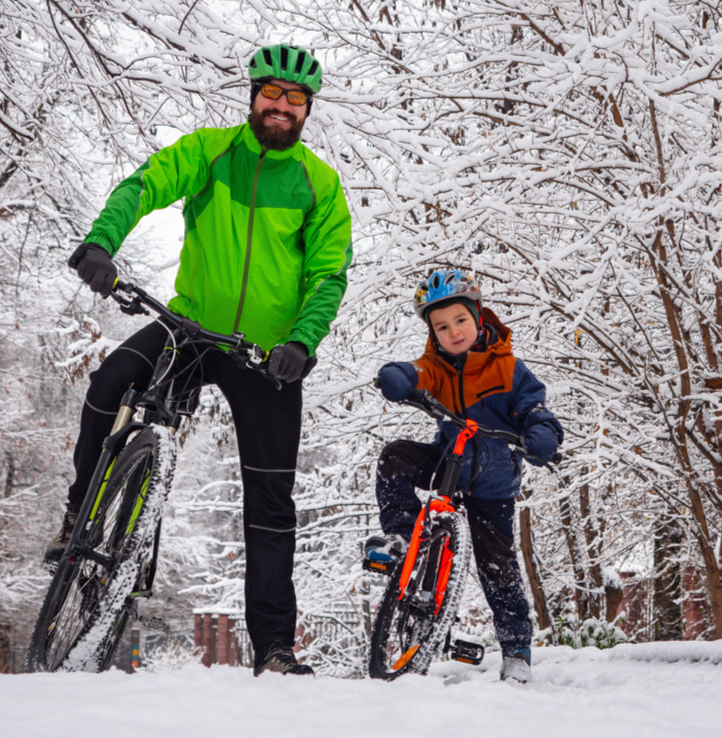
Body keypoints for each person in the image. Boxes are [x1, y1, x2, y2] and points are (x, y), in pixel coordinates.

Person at [47, 43, 352, 677]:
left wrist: (302, 342)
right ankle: (82, 510)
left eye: (295, 98)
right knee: (111, 378)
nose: (282, 106)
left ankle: (273, 645)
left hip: (267, 356)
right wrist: (102, 243)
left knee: (271, 500)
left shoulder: (320, 185)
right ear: (253, 96)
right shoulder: (211, 152)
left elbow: (328, 275)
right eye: (272, 93)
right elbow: (145, 185)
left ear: (308, 108)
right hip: (189, 326)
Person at [365, 269, 562, 683]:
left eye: (460, 321)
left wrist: (540, 432)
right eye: (441, 326)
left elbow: (534, 407)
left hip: (492, 482)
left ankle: (516, 651)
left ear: (478, 317)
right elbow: (416, 373)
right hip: (448, 465)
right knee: (394, 458)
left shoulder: (506, 368)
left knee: (499, 569)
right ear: (433, 333)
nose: (452, 331)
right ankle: (402, 537)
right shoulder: (436, 366)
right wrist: (398, 377)